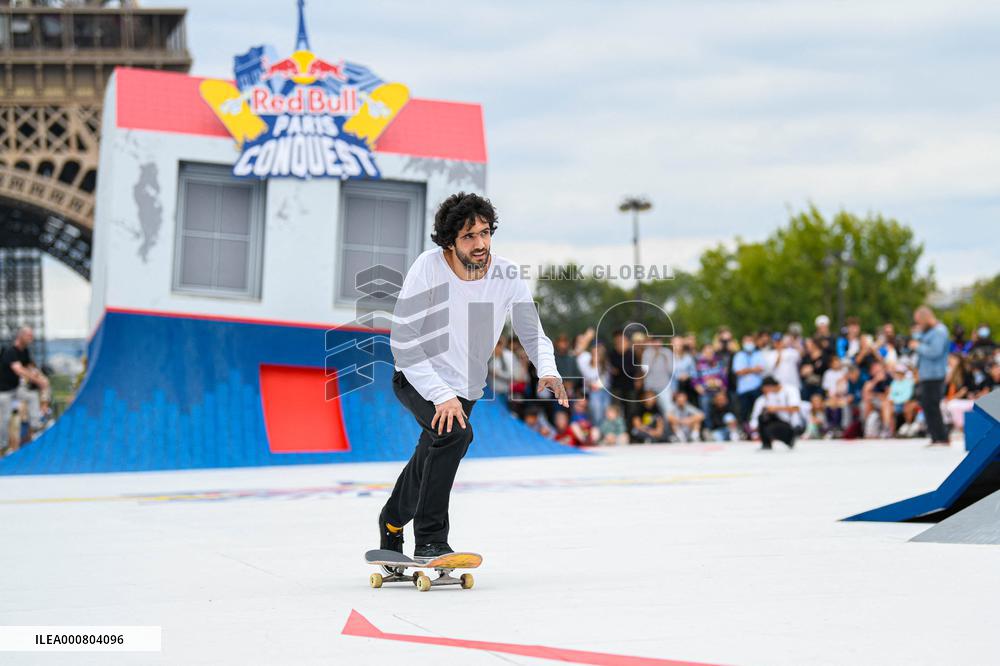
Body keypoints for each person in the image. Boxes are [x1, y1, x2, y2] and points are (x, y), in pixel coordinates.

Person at [380, 192, 568, 562]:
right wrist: (439, 395)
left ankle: (391, 521)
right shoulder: (428, 268)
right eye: (469, 237)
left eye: (485, 233)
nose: (480, 244)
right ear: (450, 242)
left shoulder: (507, 274)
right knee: (454, 434)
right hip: (418, 377)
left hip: (464, 386)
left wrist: (548, 369)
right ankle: (431, 540)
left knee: (432, 452)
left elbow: (531, 333)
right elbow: (403, 343)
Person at [0, 326, 49, 452]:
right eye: (29, 336)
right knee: (5, 418)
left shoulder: (25, 351)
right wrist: (37, 380)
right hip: (3, 391)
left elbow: (29, 367)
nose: (31, 339)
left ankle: (35, 424)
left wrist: (40, 377)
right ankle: (2, 444)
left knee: (32, 396)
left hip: (15, 389)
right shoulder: (10, 351)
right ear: (21, 336)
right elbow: (19, 370)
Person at [909, 305, 950, 445]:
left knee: (932, 405)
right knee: (927, 405)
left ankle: (942, 437)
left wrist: (917, 346)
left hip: (935, 374)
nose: (918, 325)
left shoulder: (939, 331)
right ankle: (935, 436)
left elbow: (935, 351)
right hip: (927, 374)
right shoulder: (930, 331)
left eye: (919, 322)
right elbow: (922, 339)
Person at [749, 376, 802, 450]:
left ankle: (790, 439)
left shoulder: (790, 390)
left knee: (769, 429)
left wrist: (776, 409)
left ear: (770, 386)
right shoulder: (769, 395)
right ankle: (766, 444)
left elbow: (796, 408)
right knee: (762, 418)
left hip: (790, 423)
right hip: (777, 419)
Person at [732, 334, 765, 427]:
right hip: (743, 389)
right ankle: (746, 431)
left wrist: (746, 370)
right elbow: (738, 371)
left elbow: (761, 369)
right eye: (747, 341)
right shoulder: (739, 355)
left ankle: (758, 429)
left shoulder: (758, 354)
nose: (749, 343)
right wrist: (753, 369)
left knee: (758, 411)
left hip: (757, 388)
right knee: (744, 412)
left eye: (750, 341)